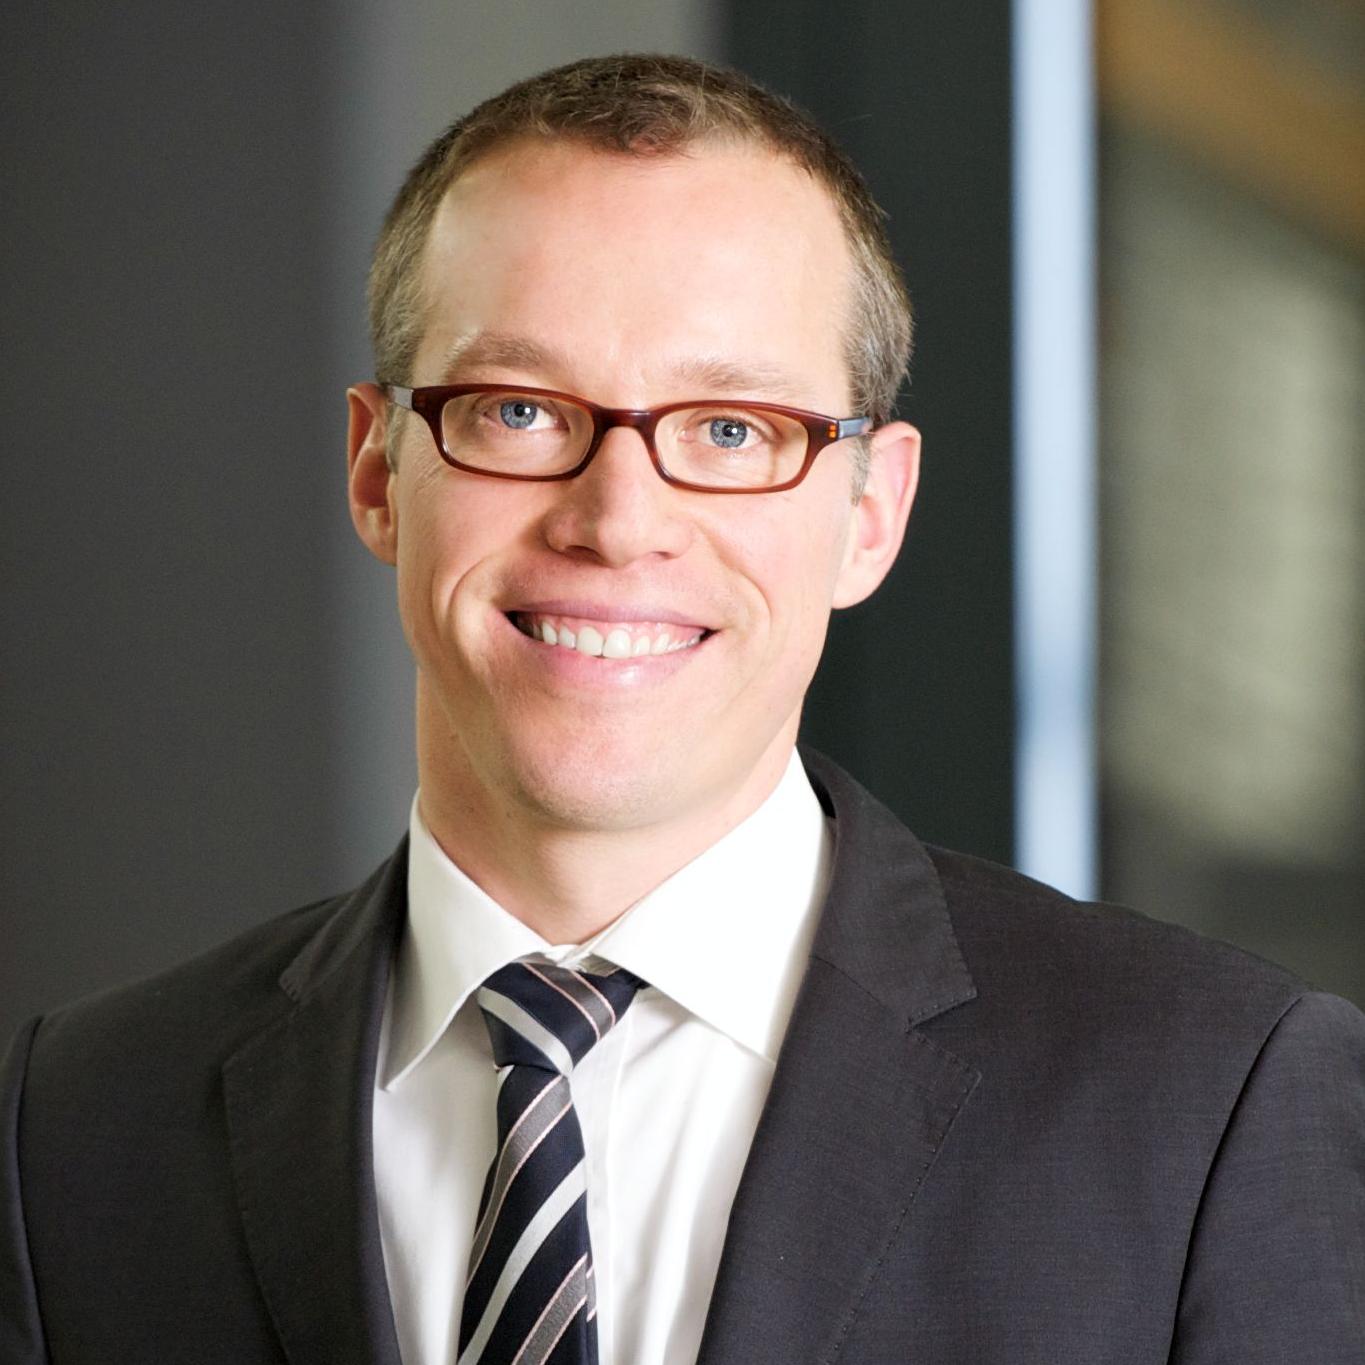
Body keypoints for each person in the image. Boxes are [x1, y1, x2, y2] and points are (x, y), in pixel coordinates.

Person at [2, 52, 1361, 1365]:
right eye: (519, 410)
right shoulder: (72, 1128)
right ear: (377, 472)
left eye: (729, 429)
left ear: (870, 513)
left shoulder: (1213, 1102)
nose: (617, 520)